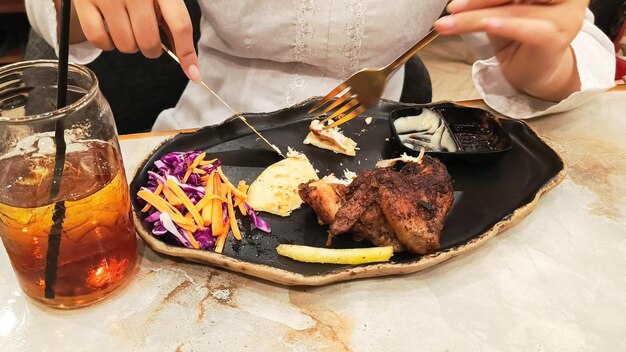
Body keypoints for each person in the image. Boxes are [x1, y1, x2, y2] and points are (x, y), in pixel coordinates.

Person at [26, 0, 615, 131]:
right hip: (207, 137)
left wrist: (536, 62)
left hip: (387, 147)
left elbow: (563, 47)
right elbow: (53, 13)